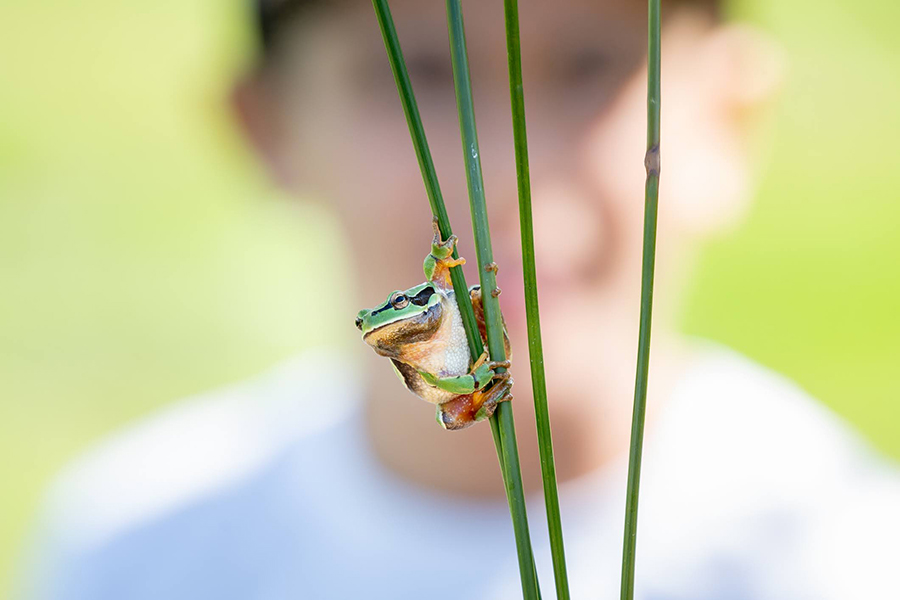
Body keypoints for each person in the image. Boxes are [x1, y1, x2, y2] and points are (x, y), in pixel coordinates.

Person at [16, 0, 900, 598]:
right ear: (271, 126)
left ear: (727, 120)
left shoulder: (844, 556)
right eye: (427, 76)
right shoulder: (137, 552)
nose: (509, 174)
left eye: (588, 66)